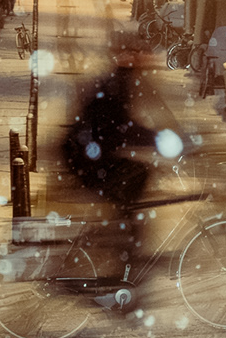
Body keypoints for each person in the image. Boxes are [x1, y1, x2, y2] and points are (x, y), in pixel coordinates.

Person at [63, 39, 161, 213]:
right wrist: (157, 139)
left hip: (84, 152)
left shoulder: (119, 79)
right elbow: (122, 127)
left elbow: (121, 126)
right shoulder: (117, 84)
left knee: (132, 177)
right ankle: (120, 230)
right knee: (138, 174)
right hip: (86, 157)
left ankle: (118, 225)